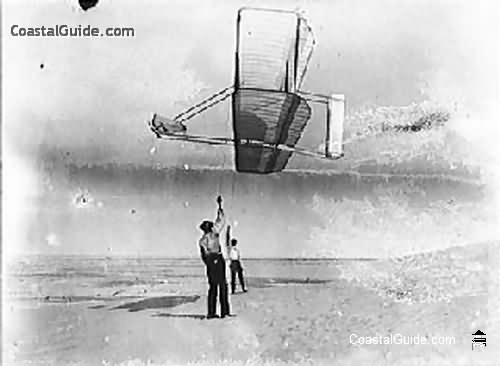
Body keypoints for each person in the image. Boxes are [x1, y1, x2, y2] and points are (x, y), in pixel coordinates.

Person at [198, 198, 230, 319]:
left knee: (219, 286)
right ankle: (215, 313)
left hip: (216, 260)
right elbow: (204, 256)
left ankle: (221, 312)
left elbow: (220, 221)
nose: (211, 227)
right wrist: (211, 263)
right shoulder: (205, 239)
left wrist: (220, 207)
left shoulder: (207, 237)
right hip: (214, 261)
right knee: (217, 286)